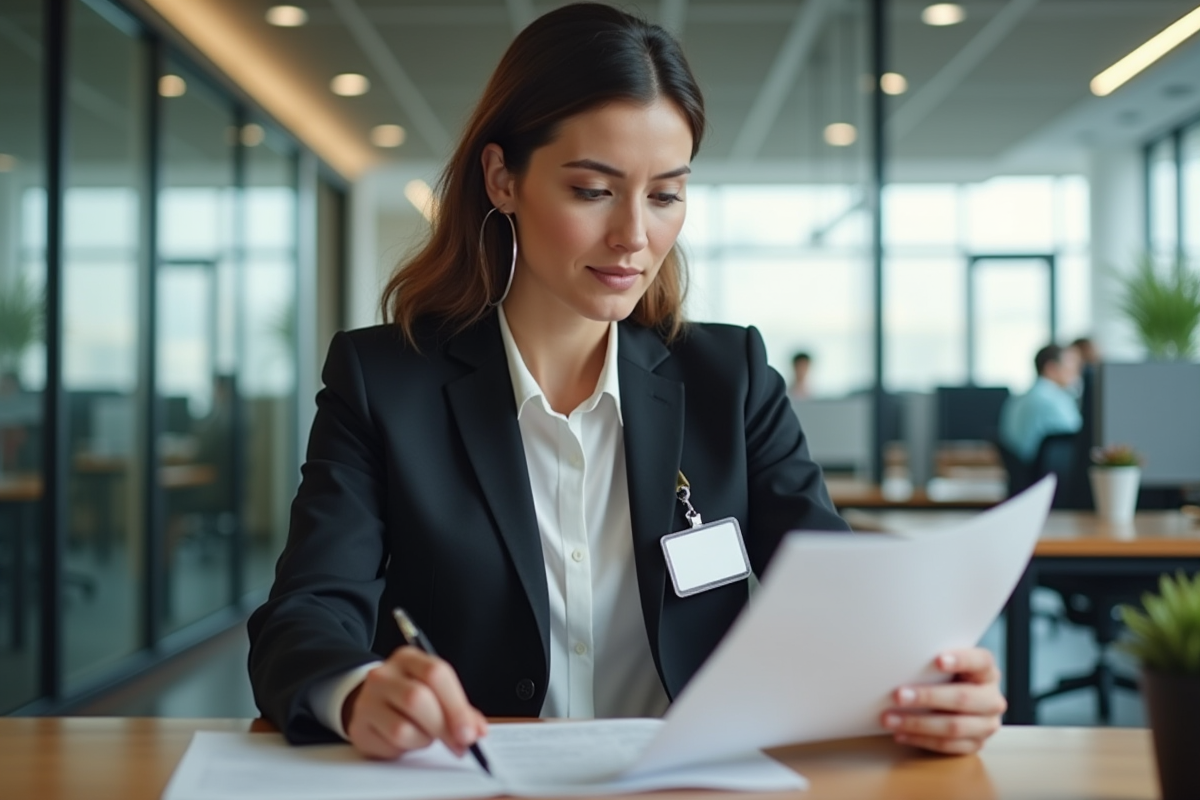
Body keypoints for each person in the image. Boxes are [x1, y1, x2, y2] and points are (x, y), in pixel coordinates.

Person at [248, 2, 1006, 764]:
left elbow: (835, 594)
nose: (634, 236)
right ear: (502, 178)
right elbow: (305, 616)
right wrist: (355, 692)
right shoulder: (385, 382)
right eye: (592, 190)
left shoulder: (729, 378)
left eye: (665, 194)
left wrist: (930, 681)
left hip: (695, 777)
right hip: (472, 778)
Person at [999, 344, 1083, 464]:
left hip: (1026, 471)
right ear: (1051, 368)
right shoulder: (1054, 400)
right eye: (1071, 367)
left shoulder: (1018, 398)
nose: (1076, 374)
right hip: (1049, 472)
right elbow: (1078, 436)